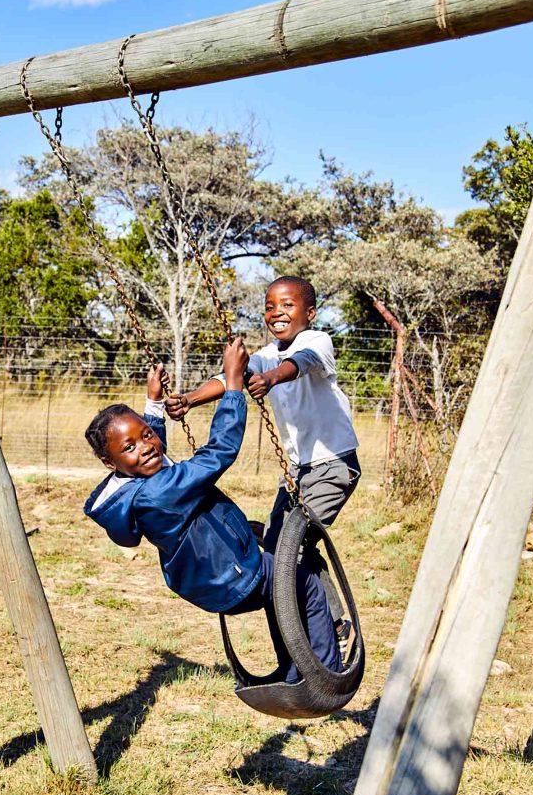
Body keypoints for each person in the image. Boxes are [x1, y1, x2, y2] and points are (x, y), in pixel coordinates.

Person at [83, 338, 341, 682]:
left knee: (278, 592)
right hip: (233, 574)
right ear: (108, 461)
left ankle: (294, 671)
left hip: (210, 578)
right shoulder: (158, 492)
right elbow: (219, 452)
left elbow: (153, 455)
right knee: (304, 580)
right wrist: (233, 385)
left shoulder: (130, 489)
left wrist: (153, 405)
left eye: (146, 435)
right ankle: (325, 674)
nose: (145, 447)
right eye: (130, 447)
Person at [166, 276, 361, 648]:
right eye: (270, 307)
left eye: (287, 305)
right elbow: (230, 377)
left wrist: (271, 378)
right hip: (298, 473)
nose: (277, 313)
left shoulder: (316, 341)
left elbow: (301, 364)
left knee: (292, 541)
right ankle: (328, 616)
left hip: (334, 464)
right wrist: (190, 399)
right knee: (279, 545)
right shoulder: (266, 354)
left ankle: (332, 623)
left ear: (310, 312)